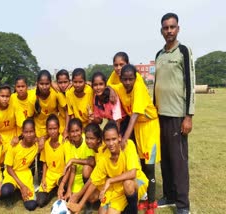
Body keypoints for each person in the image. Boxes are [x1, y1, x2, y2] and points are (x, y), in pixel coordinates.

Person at [154, 12, 195, 214]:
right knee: (166, 158)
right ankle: (169, 196)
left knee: (179, 160)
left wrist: (189, 116)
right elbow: (156, 86)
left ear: (178, 28)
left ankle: (182, 205)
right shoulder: (159, 55)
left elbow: (190, 84)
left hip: (178, 115)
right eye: (165, 28)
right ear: (161, 30)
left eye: (172, 27)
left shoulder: (184, 51)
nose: (169, 31)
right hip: (160, 115)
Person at [68, 120, 148, 214]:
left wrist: (110, 180)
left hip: (136, 181)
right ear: (104, 141)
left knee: (128, 184)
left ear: (119, 137)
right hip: (117, 188)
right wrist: (80, 204)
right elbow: (94, 181)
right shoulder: (104, 156)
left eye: (113, 139)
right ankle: (124, 208)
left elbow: (132, 173)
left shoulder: (128, 145)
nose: (111, 143)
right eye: (108, 140)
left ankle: (132, 210)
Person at [115, 64, 161, 214]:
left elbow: (134, 116)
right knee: (140, 166)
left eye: (131, 79)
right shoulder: (120, 88)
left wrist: (124, 140)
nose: (128, 82)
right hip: (138, 129)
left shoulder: (139, 87)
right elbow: (109, 84)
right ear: (120, 78)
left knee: (149, 166)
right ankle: (143, 197)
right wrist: (110, 90)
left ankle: (152, 203)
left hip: (149, 127)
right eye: (125, 79)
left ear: (136, 78)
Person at [1, 119, 40, 211]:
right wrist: (22, 186)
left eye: (31, 131)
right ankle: (15, 190)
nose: (29, 134)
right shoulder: (14, 145)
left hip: (25, 174)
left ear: (35, 132)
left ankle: (20, 191)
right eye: (26, 132)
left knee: (31, 205)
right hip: (12, 174)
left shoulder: (36, 146)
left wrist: (40, 139)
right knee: (5, 191)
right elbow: (9, 168)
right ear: (22, 132)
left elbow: (45, 138)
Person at [57, 118, 95, 201]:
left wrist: (73, 160)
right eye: (72, 131)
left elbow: (92, 161)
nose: (75, 134)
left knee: (86, 168)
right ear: (69, 133)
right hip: (74, 177)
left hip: (87, 176)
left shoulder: (87, 140)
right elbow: (72, 168)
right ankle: (72, 193)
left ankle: (88, 197)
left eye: (77, 130)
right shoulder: (68, 144)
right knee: (61, 181)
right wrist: (68, 188)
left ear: (82, 130)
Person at [36, 114, 66, 208]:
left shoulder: (64, 142)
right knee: (40, 202)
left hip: (62, 175)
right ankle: (53, 190)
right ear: (47, 129)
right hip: (50, 174)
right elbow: (44, 162)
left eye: (55, 128)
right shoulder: (46, 143)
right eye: (50, 129)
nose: (52, 131)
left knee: (65, 189)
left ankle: (59, 187)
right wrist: (43, 178)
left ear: (59, 128)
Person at [0, 84, 16, 151]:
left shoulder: (13, 106)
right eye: (2, 96)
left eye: (7, 96)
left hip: (13, 136)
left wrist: (18, 137)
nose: (5, 99)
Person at [55, 69, 71, 137]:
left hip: (72, 122)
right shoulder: (58, 93)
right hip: (61, 123)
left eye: (65, 82)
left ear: (69, 82)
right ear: (57, 83)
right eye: (60, 83)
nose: (63, 85)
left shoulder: (72, 90)